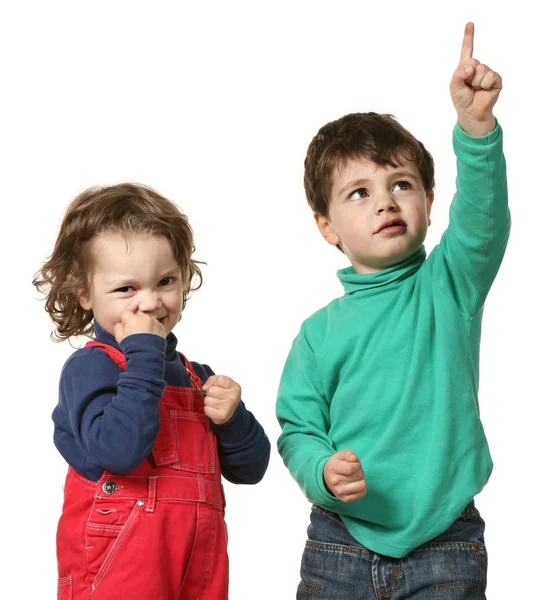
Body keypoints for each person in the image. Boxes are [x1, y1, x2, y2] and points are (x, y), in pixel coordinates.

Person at [276, 22, 508, 598]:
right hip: (338, 544)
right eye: (359, 192)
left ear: (429, 203)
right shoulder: (317, 334)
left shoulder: (449, 284)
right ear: (327, 226)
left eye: (401, 184)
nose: (385, 201)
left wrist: (476, 130)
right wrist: (324, 474)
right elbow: (299, 429)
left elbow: (483, 222)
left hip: (445, 542)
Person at [33, 183, 270, 599]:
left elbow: (251, 470)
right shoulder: (91, 368)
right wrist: (143, 351)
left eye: (164, 281)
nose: (149, 302)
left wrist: (234, 419)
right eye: (126, 289)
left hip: (198, 566)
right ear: (85, 293)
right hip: (119, 568)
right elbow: (119, 451)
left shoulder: (195, 376)